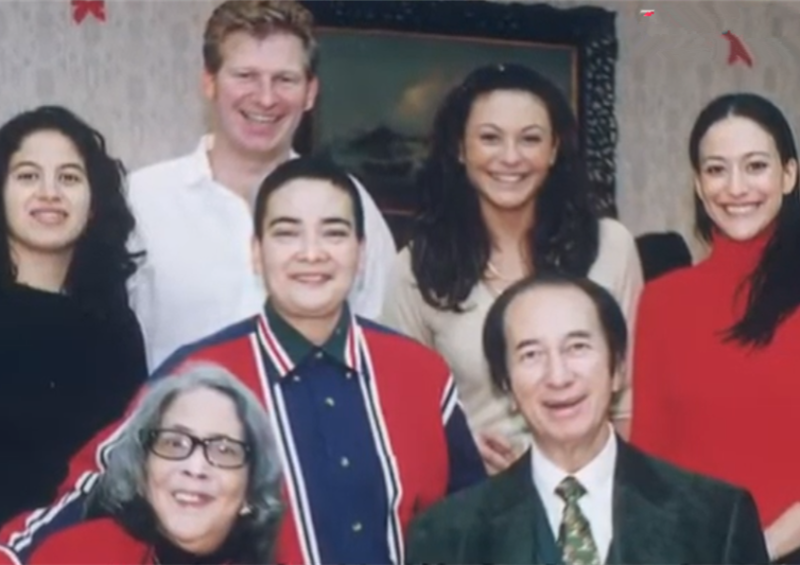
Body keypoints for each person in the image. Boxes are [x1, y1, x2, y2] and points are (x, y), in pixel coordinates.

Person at [0, 156, 486, 565]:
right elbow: (87, 492)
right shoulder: (196, 377)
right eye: (287, 233)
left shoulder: (421, 374)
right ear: (256, 253)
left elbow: (478, 523)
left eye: (333, 234)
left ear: (360, 254)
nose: (311, 253)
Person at [381, 63, 643, 473]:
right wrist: (457, 449)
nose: (510, 157)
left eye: (530, 139)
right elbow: (400, 413)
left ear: (553, 150)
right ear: (460, 149)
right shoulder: (417, 269)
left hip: (591, 490)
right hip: (475, 494)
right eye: (490, 138)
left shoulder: (610, 247)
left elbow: (629, 402)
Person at [405, 272, 769, 565]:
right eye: (531, 354)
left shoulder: (715, 519)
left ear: (617, 368)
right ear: (507, 386)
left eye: (577, 347)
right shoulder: (445, 537)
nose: (558, 376)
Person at [127, 0, 396, 371]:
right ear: (209, 82)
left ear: (310, 92)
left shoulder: (350, 203)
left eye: (285, 79)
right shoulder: (141, 200)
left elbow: (383, 343)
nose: (266, 98)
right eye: (245, 76)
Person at [630, 93, 800, 564]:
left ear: (789, 174)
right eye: (716, 170)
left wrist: (757, 550)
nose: (736, 187)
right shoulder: (663, 301)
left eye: (756, 166)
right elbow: (648, 461)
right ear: (699, 185)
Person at [0, 106, 147, 525]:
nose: (49, 193)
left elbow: (125, 469)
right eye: (28, 176)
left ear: (94, 203)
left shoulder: (115, 326)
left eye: (69, 178)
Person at [27, 365, 283, 565]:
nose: (195, 468)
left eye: (224, 450)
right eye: (174, 443)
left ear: (251, 491)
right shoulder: (76, 555)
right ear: (143, 470)